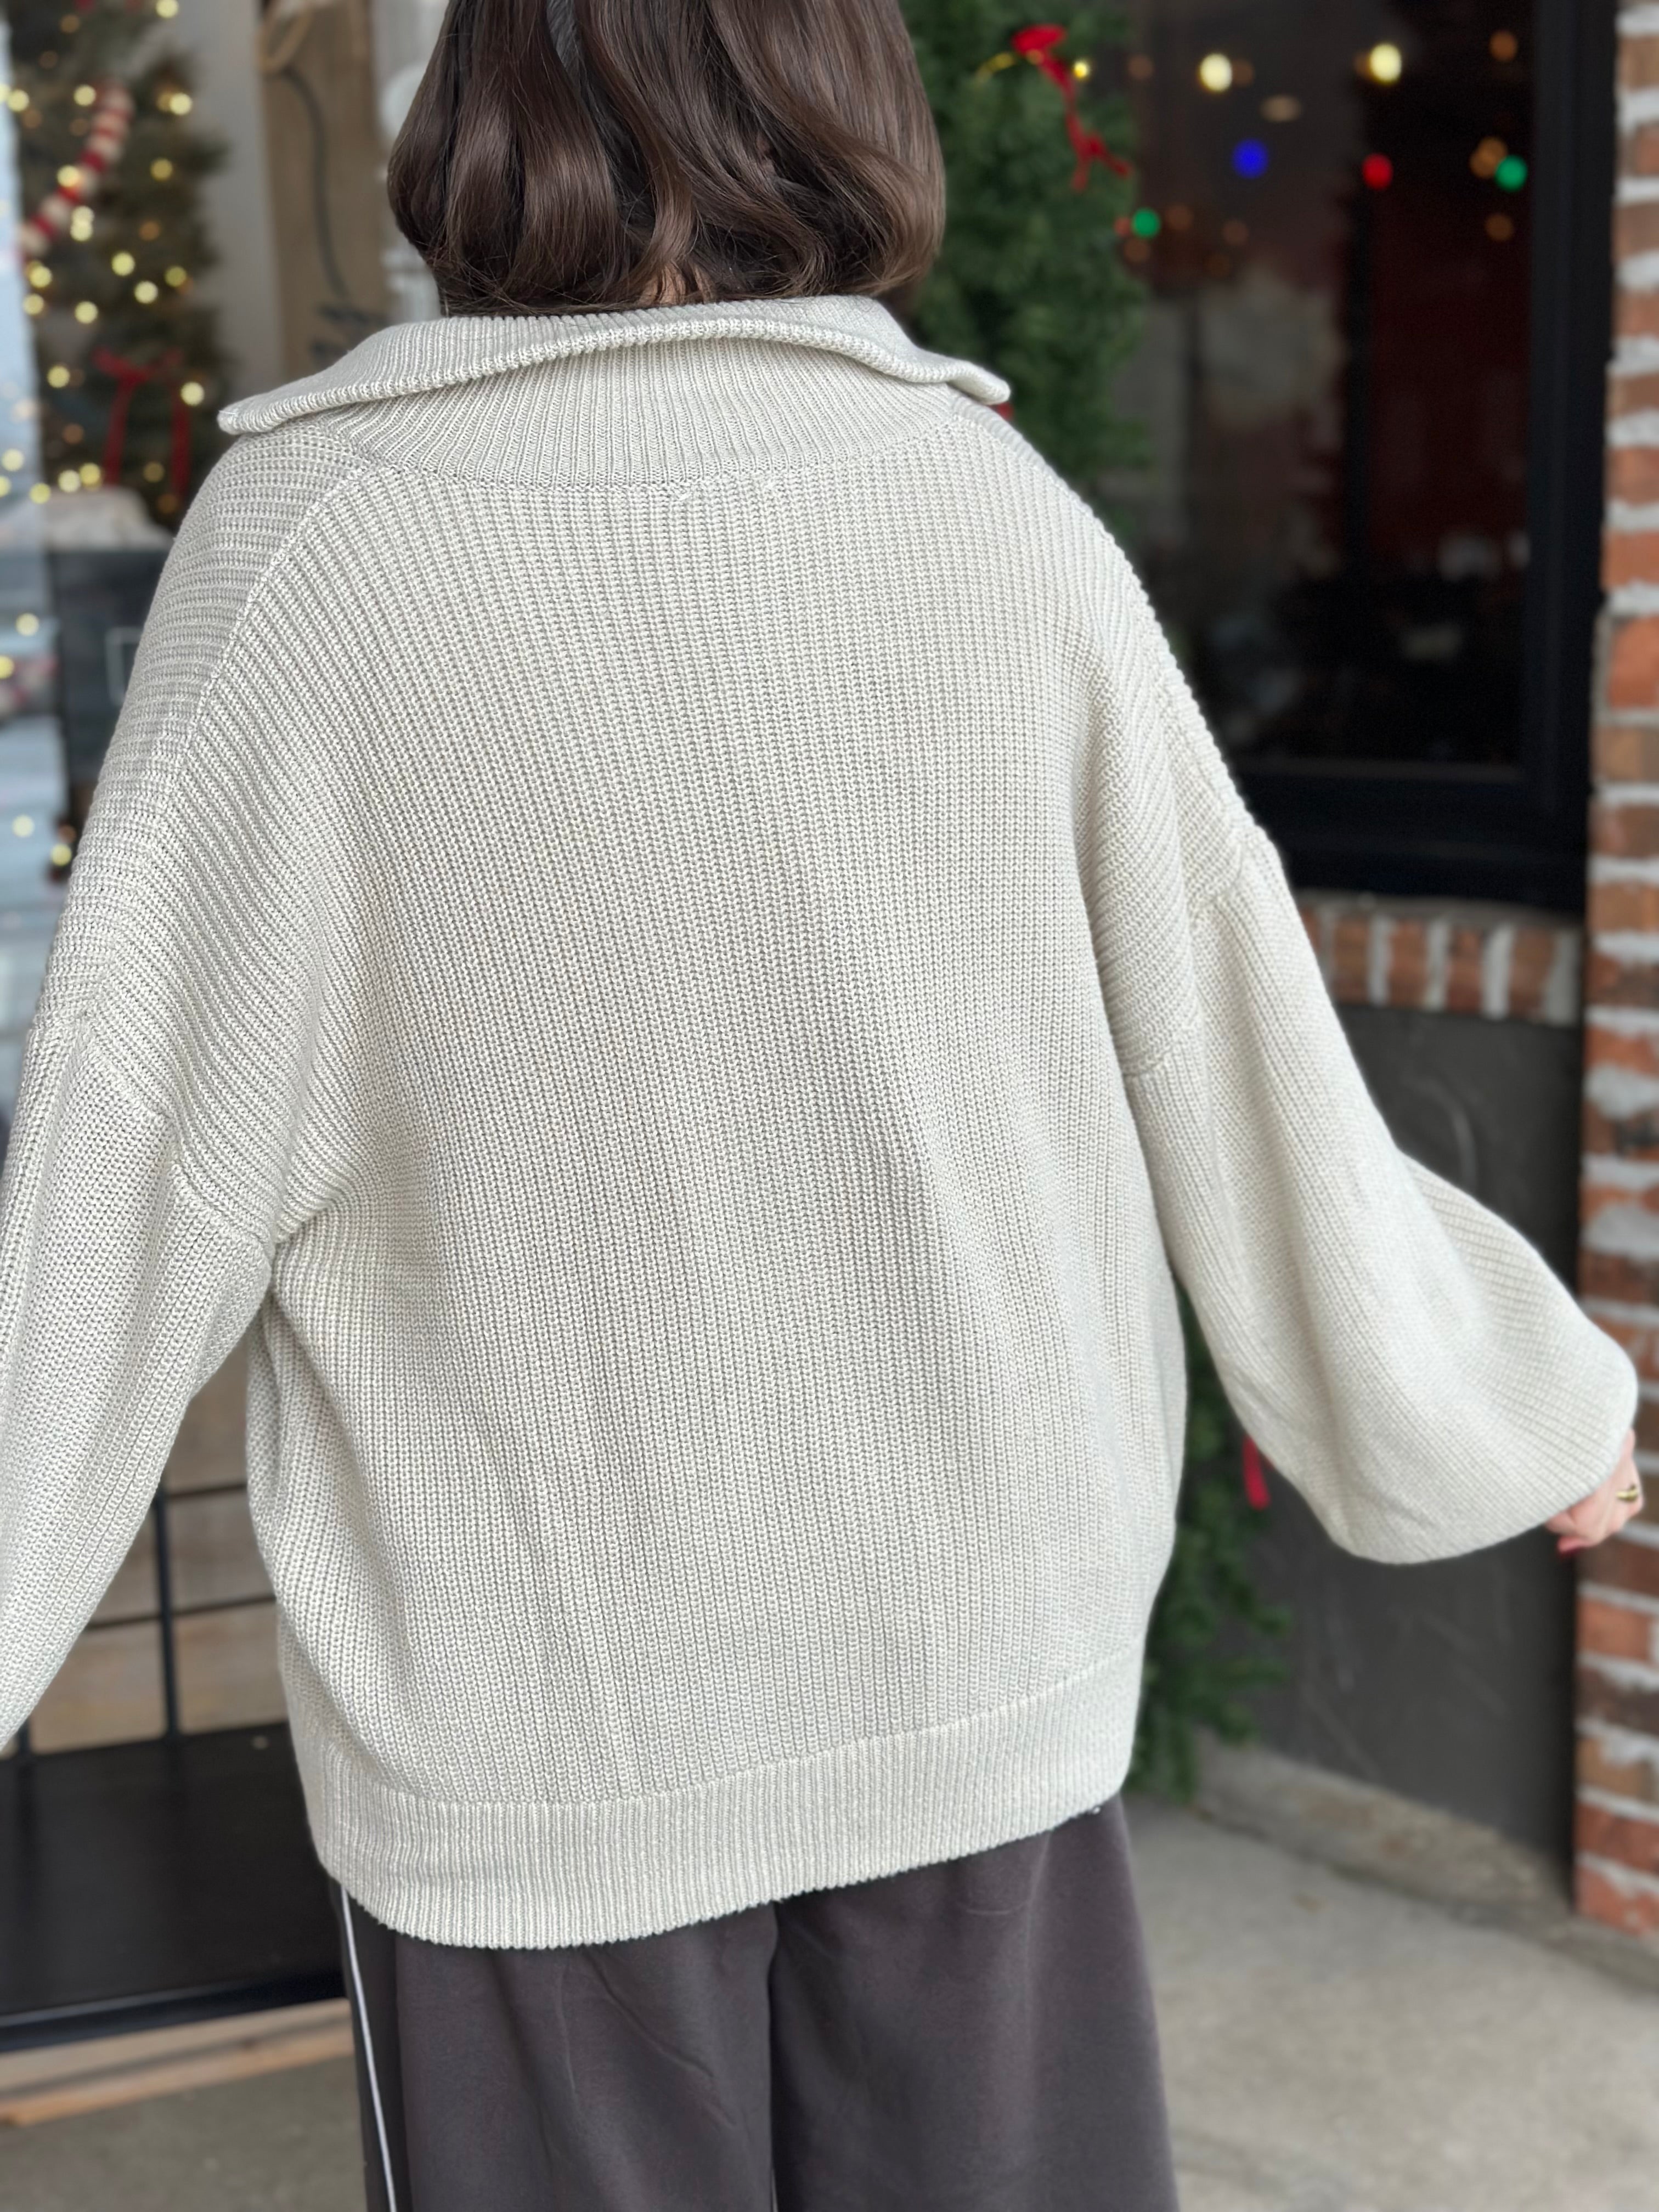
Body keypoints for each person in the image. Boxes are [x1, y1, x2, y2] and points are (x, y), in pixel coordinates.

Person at [0, 1, 1643, 2204]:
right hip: (969, 1671)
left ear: (480, 109)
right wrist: (1500, 1403)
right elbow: (1243, 1058)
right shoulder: (993, 520)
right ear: (844, 94)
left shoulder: (314, 557)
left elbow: (119, 1182)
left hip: (537, 1744)